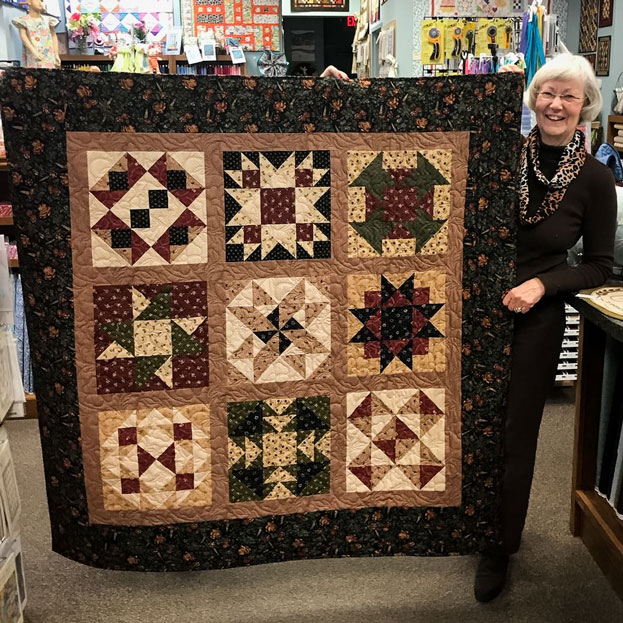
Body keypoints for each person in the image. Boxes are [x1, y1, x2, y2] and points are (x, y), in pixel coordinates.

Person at [320, 54, 617, 602]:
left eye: (568, 97)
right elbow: (412, 137)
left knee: (516, 432)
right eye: (548, 92)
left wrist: (545, 284)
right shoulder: (498, 153)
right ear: (533, 99)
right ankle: (449, 522)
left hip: (535, 317)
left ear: (585, 108)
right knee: (446, 413)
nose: (555, 104)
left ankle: (499, 544)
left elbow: (602, 263)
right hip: (462, 309)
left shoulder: (597, 179)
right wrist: (351, 96)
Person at [11, 0, 61, 69]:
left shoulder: (48, 20)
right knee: (34, 76)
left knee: (49, 77)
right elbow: (24, 37)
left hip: (49, 57)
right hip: (33, 56)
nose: (40, 2)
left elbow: (53, 36)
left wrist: (56, 54)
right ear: (29, 2)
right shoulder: (23, 20)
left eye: (42, 1)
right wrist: (34, 52)